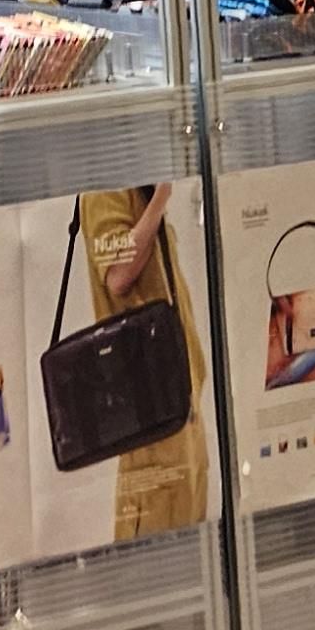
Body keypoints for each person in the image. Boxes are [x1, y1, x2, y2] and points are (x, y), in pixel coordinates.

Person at [70, 184, 211, 536]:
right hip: (149, 397)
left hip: (178, 393)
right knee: (154, 522)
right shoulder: (104, 189)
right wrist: (160, 199)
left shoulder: (140, 190)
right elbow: (118, 274)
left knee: (188, 517)